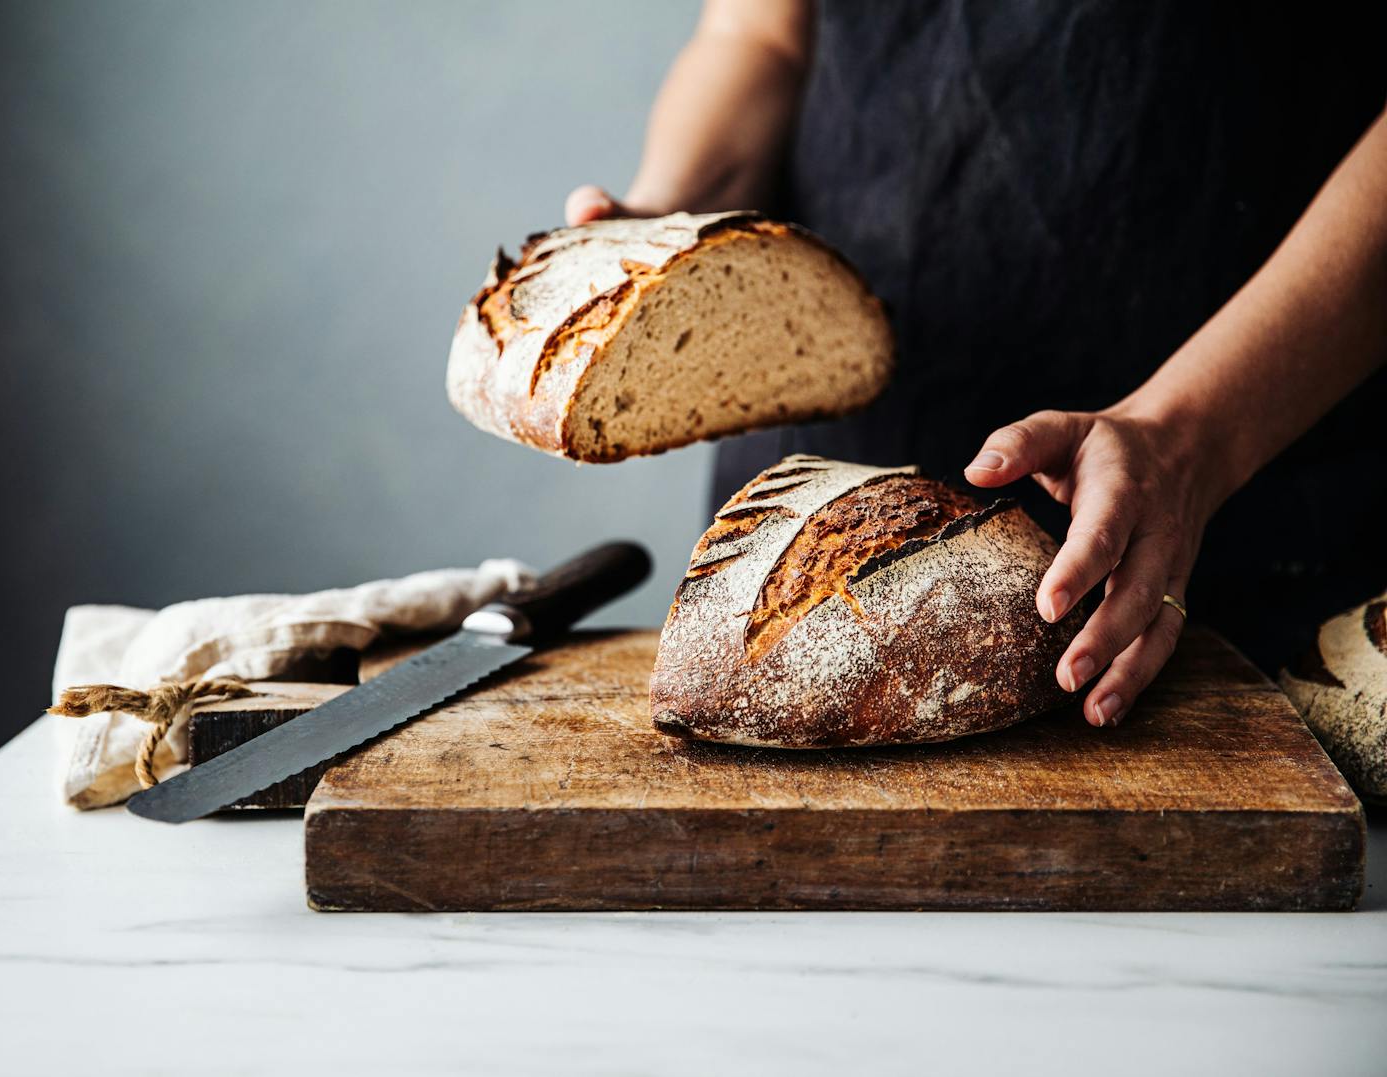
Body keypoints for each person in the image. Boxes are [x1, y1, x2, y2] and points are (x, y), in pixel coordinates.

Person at [565, 0, 1387, 727]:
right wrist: (666, 232)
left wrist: (1193, 434)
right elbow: (759, 34)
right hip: (808, 510)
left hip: (1249, 449)